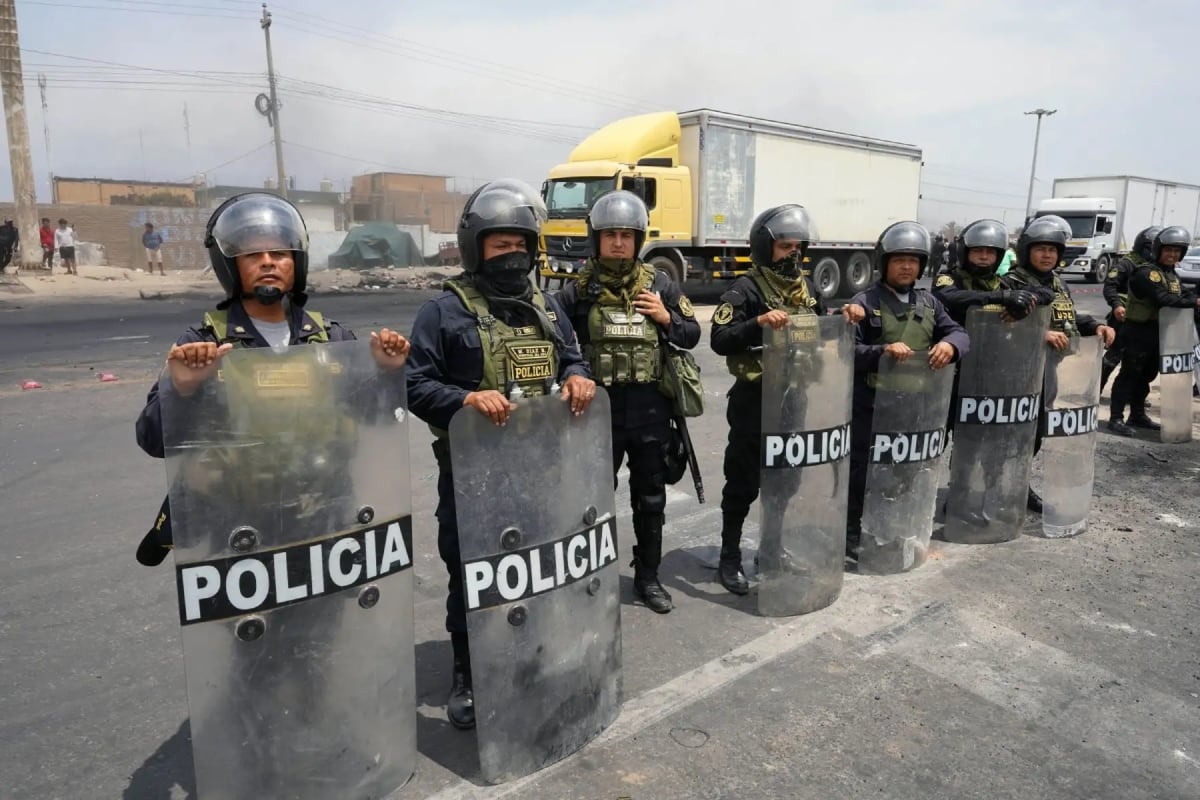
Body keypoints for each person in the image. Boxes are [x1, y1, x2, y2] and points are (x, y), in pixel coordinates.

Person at [405, 179, 595, 731]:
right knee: (473, 576)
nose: (512, 256)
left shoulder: (548, 306)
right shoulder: (443, 312)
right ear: (475, 248)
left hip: (542, 469)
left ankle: (534, 654)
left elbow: (572, 359)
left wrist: (579, 379)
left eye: (520, 245)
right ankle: (468, 672)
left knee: (538, 568)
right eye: (499, 245)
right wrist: (464, 398)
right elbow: (415, 384)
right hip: (472, 475)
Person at [135, 191, 410, 463]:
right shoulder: (205, 345)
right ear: (230, 265)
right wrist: (181, 391)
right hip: (236, 502)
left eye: (279, 252)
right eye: (252, 255)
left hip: (323, 501)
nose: (267, 261)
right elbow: (154, 442)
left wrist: (386, 373)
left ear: (296, 261)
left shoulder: (333, 339)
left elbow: (379, 418)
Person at [556, 189, 698, 613]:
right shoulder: (576, 291)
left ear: (639, 239)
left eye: (627, 234)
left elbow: (692, 335)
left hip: (651, 411)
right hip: (596, 416)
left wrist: (666, 317)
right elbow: (554, 342)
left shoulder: (660, 285)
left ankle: (648, 578)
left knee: (650, 498)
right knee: (592, 500)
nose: (619, 242)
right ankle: (590, 579)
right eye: (610, 234)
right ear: (596, 237)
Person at [709, 204, 863, 594]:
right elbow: (720, 339)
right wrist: (757, 323)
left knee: (784, 482)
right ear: (765, 248)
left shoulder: (806, 289)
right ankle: (729, 558)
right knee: (742, 483)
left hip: (795, 398)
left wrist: (845, 317)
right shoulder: (744, 289)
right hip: (754, 400)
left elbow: (822, 326)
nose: (792, 254)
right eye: (783, 247)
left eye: (797, 247)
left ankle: (772, 549)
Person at [846, 221, 968, 557]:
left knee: (903, 471)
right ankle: (852, 531)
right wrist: (881, 352)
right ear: (884, 262)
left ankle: (892, 525)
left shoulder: (929, 303)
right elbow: (847, 351)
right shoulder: (864, 301)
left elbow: (959, 332)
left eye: (913, 261)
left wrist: (951, 347)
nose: (906, 266)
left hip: (914, 405)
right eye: (899, 259)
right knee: (863, 472)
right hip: (872, 405)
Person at [1001, 216, 1114, 508]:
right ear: (1027, 250)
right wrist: (1041, 334)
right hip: (1015, 373)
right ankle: (990, 488)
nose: (1047, 254)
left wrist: (1094, 326)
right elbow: (999, 326)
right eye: (1041, 249)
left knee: (1036, 433)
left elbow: (1068, 317)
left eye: (1053, 250)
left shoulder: (1058, 283)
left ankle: (1019, 485)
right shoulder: (1010, 282)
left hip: (1048, 371)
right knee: (1009, 434)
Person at [1108, 226, 1200, 436]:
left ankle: (1137, 415)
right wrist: (1194, 301)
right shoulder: (1147, 273)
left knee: (1147, 375)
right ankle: (1115, 417)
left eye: (1177, 251)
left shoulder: (1171, 275)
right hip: (1138, 331)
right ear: (1158, 249)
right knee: (1129, 374)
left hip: (1159, 333)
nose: (1172, 255)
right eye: (1168, 250)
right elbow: (1164, 299)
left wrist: (1191, 300)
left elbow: (1183, 294)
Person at [933, 219, 1035, 326]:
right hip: (956, 340)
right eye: (977, 251)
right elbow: (948, 297)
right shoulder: (949, 278)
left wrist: (1025, 303)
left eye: (990, 252)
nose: (984, 256)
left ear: (998, 256)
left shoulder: (1004, 283)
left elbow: (1046, 293)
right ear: (965, 252)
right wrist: (1002, 297)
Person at [1101, 226, 1160, 394]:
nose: (1152, 252)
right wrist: (1116, 305)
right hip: (1123, 318)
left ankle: (1131, 395)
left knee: (1138, 362)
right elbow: (1110, 286)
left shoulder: (1156, 267)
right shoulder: (1128, 263)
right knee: (1112, 359)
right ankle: (1094, 392)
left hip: (1146, 322)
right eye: (1149, 248)